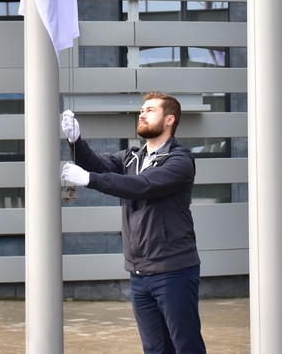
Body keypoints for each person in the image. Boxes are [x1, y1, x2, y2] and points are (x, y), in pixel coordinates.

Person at [60, 92, 206, 354]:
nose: (142, 114)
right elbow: (96, 165)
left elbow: (142, 185)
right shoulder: (131, 157)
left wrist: (90, 179)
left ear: (169, 119)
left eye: (150, 110)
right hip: (139, 274)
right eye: (141, 110)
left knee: (186, 347)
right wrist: (75, 141)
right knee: (155, 349)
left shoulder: (180, 161)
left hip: (174, 271)